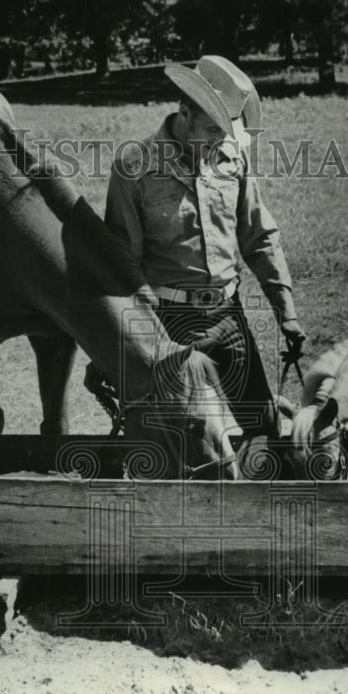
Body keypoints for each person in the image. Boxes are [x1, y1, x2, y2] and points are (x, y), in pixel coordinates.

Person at [104, 55, 305, 438]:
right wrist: (119, 344)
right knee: (186, 442)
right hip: (168, 323)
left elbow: (260, 238)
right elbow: (121, 264)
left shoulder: (231, 159)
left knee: (261, 431)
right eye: (213, 130)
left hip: (229, 317)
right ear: (184, 112)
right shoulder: (134, 168)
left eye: (227, 133)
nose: (222, 143)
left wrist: (287, 312)